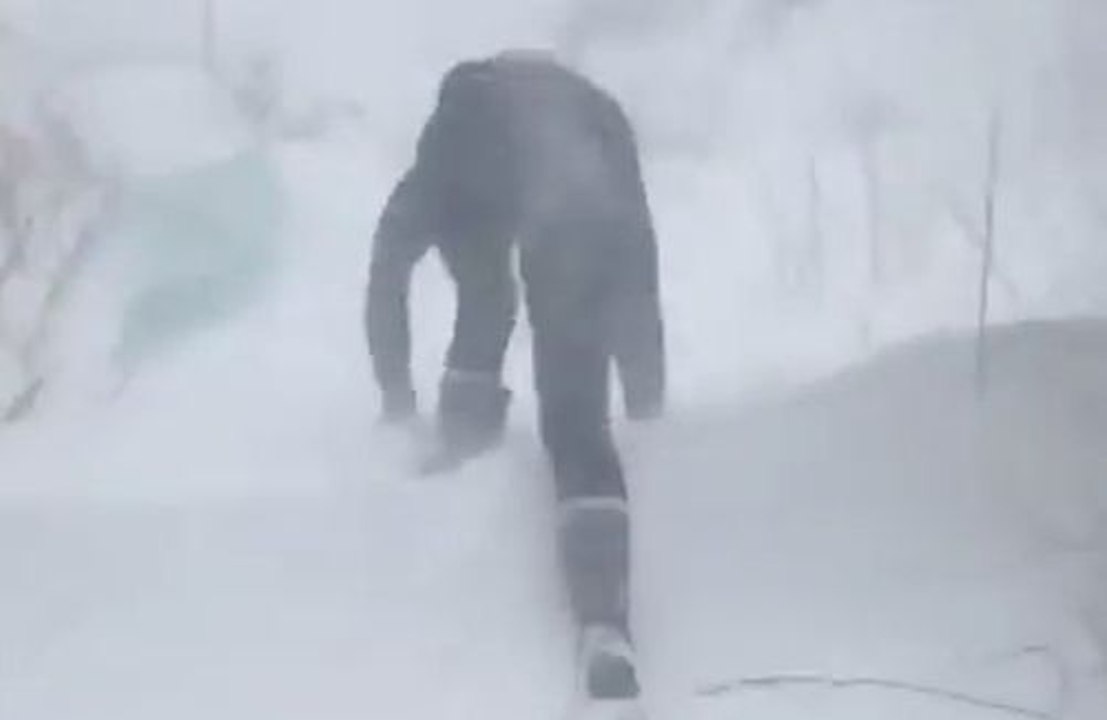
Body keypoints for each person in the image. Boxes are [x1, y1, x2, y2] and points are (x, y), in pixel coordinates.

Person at [365, 51, 665, 701]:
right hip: (593, 168)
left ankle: (464, 444)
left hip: (568, 186)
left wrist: (396, 394)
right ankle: (603, 622)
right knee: (573, 405)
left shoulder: (440, 162)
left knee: (490, 306)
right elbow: (637, 261)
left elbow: (387, 271)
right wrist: (647, 393)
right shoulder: (585, 111)